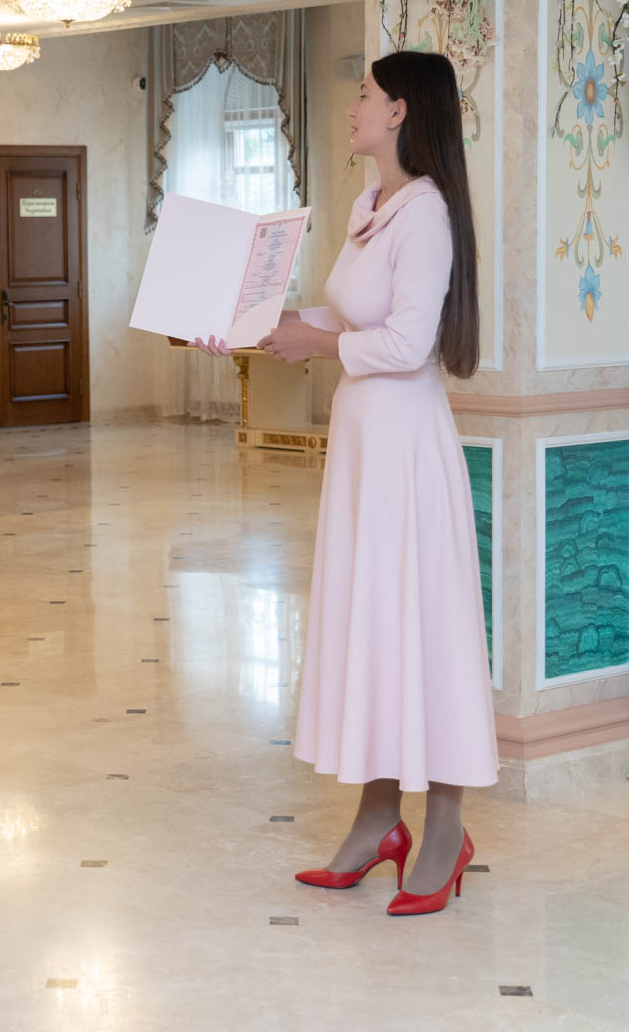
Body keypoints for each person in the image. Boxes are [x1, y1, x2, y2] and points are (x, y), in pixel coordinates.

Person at [194, 51, 497, 916]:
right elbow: (350, 314)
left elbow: (408, 343)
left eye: (364, 93)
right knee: (374, 624)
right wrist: (267, 323)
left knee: (422, 627)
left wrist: (317, 344)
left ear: (399, 112)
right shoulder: (370, 205)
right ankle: (376, 819)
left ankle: (444, 826)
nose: (353, 105)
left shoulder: (427, 211)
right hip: (364, 447)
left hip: (407, 450)